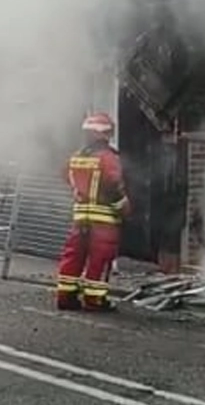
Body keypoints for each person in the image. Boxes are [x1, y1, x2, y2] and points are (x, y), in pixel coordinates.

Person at [54, 112, 130, 312]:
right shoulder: (108, 157)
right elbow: (114, 184)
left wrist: (81, 193)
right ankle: (94, 300)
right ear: (104, 133)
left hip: (80, 217)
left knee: (73, 256)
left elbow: (65, 176)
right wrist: (124, 206)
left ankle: (65, 297)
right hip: (103, 220)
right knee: (100, 259)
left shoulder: (76, 157)